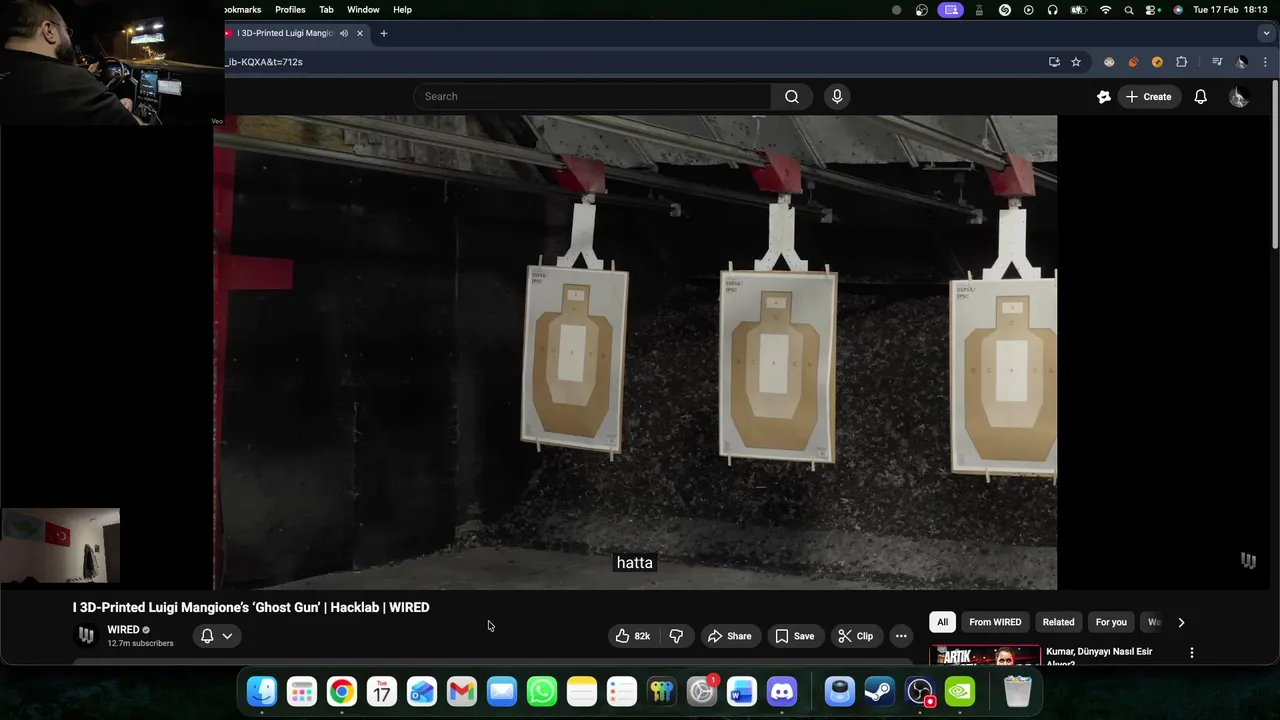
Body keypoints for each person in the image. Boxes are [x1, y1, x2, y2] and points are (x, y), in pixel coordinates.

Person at [0, 0, 142, 125]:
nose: (69, 38)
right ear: (49, 31)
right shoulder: (74, 82)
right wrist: (122, 109)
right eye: (67, 31)